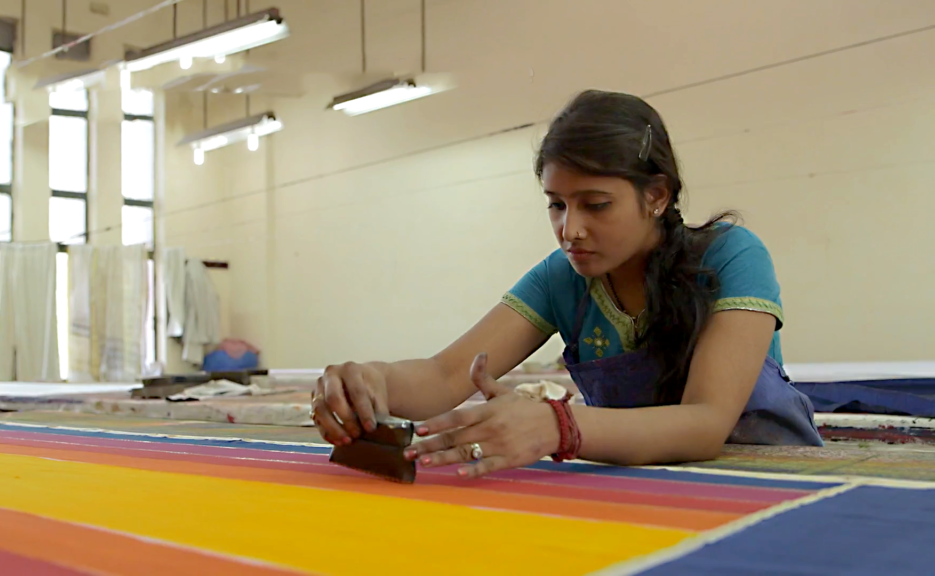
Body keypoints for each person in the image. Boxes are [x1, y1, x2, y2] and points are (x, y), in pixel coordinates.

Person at [310, 90, 822, 479]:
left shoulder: (731, 257)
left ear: (657, 196)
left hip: (776, 482)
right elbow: (445, 377)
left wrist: (557, 425)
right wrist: (370, 381)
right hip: (644, 486)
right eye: (556, 204)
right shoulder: (563, 278)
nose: (569, 229)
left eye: (595, 205)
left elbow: (706, 423)